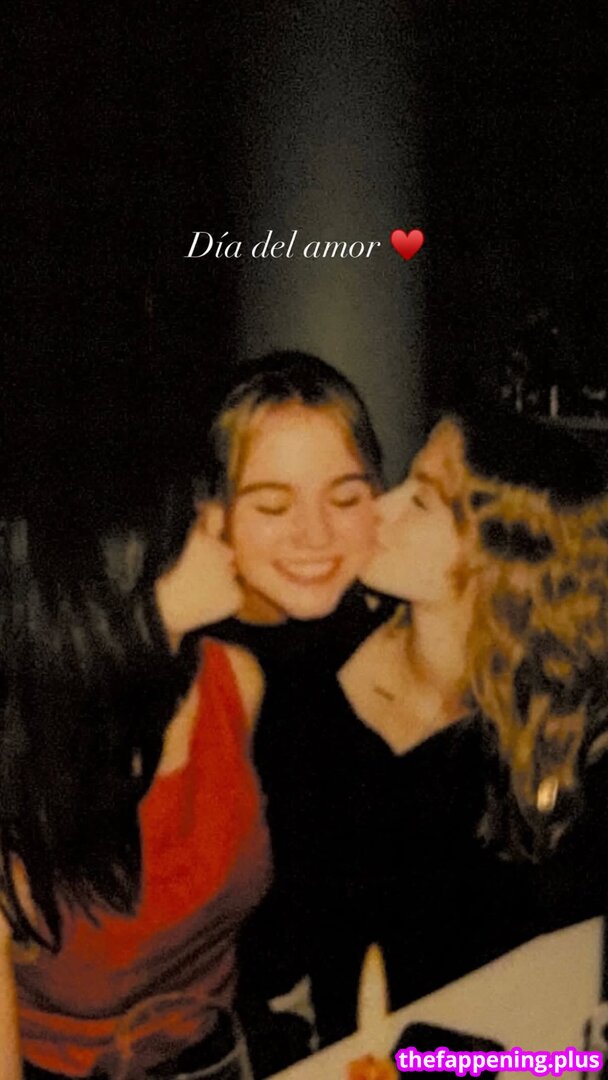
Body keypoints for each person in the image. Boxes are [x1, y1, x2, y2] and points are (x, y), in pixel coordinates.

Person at [0, 461, 270, 1078]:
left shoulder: (235, 684)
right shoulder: (18, 783)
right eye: (192, 521)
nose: (225, 522)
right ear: (114, 577)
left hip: (223, 1050)